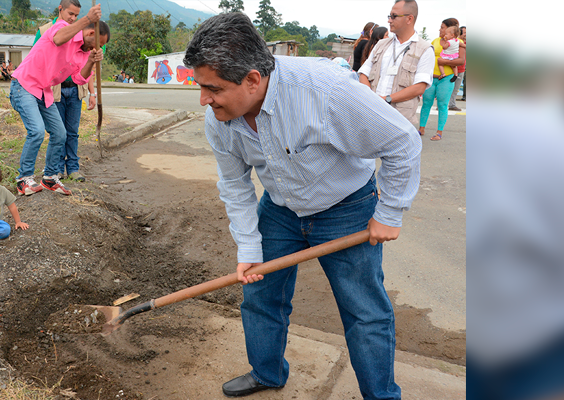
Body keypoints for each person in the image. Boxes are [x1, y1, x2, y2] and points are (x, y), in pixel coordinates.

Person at [184, 12, 421, 399]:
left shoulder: (324, 90)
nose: (203, 99)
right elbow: (234, 183)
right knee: (260, 294)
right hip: (280, 209)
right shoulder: (221, 117)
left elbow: (402, 143)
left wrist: (390, 212)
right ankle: (267, 372)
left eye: (213, 88)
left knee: (364, 311)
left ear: (253, 80)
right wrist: (248, 246)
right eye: (201, 86)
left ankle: (381, 395)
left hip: (347, 207)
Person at [10, 2, 108, 196]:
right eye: (100, 44)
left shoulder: (83, 53)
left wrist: (91, 60)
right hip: (25, 85)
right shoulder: (61, 27)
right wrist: (87, 19)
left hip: (44, 91)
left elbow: (80, 78)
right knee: (36, 131)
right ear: (90, 34)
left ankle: (50, 177)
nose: (100, 48)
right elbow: (58, 39)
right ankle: (24, 179)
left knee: (60, 133)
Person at [33, 0, 98, 183]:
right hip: (55, 90)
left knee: (72, 131)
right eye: (71, 14)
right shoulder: (45, 30)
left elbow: (87, 65)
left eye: (77, 15)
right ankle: (57, 168)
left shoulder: (79, 31)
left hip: (75, 89)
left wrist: (92, 93)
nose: (73, 18)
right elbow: (38, 57)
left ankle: (73, 168)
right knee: (58, 132)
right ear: (60, 9)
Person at [358, 0, 434, 129]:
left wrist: (386, 99)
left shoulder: (424, 49)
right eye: (389, 16)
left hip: (399, 120)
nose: (389, 20)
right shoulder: (382, 44)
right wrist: (371, 98)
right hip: (371, 113)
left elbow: (420, 87)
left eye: (394, 16)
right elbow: (363, 73)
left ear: (409, 19)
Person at [418, 17, 465, 141]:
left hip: (446, 78)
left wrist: (443, 61)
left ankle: (439, 132)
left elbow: (461, 60)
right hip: (431, 78)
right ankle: (421, 128)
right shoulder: (435, 41)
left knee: (442, 104)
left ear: (450, 30)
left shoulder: (457, 42)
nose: (440, 29)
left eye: (442, 27)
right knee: (426, 103)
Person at [448, 26, 465, 110]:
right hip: (453, 66)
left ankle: (452, 104)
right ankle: (447, 104)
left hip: (461, 68)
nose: (466, 35)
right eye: (464, 33)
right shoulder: (456, 42)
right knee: (449, 87)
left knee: (456, 88)